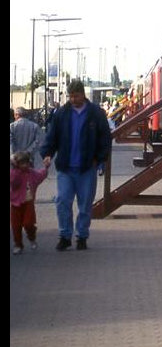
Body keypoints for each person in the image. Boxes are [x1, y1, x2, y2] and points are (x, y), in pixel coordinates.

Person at [41, 79, 113, 251]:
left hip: (87, 167)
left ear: (83, 94)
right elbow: (52, 136)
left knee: (85, 204)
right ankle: (65, 235)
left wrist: (100, 159)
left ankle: (82, 236)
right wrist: (47, 153)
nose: (73, 99)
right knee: (63, 201)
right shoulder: (61, 114)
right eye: (70, 96)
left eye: (76, 96)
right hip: (65, 167)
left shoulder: (96, 113)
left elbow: (105, 138)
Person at [10, 150, 48, 254]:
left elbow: (40, 175)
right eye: (22, 163)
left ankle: (32, 237)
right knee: (15, 226)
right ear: (17, 165)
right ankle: (18, 244)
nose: (24, 165)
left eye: (26, 163)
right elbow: (13, 181)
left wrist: (46, 167)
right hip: (15, 204)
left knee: (28, 223)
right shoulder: (14, 173)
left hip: (28, 203)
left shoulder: (31, 173)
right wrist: (15, 168)